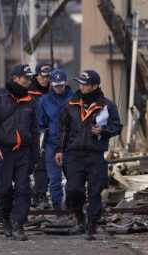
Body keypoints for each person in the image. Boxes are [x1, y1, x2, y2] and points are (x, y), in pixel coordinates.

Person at [55, 70, 122, 240]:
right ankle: (80, 219)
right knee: (73, 190)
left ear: (95, 86)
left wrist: (104, 131)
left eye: (85, 84)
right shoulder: (71, 104)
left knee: (95, 192)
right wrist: (59, 150)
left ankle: (92, 226)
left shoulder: (107, 105)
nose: (81, 86)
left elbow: (117, 126)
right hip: (73, 155)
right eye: (80, 83)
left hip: (95, 155)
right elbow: (63, 129)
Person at [0, 64, 39, 241]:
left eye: (30, 78)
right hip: (2, 151)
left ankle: (18, 225)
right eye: (26, 78)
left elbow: (35, 130)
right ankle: (5, 219)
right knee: (4, 190)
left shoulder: (31, 101)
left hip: (24, 152)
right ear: (15, 78)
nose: (29, 81)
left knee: (24, 189)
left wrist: (35, 155)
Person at [36, 69, 73, 211]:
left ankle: (71, 206)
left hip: (70, 144)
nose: (59, 88)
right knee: (54, 179)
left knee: (73, 178)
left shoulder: (75, 99)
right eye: (56, 85)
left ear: (66, 83)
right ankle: (58, 208)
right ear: (51, 84)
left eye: (61, 85)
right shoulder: (44, 101)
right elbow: (40, 123)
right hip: (51, 144)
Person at [29, 63, 53, 208]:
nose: (46, 80)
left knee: (43, 165)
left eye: (48, 77)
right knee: (25, 167)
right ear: (37, 75)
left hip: (47, 133)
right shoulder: (27, 92)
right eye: (43, 77)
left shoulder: (53, 91)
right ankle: (28, 194)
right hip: (29, 133)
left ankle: (41, 194)